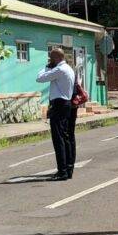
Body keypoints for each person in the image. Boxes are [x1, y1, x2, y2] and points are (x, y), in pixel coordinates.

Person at [37, 48, 75, 180]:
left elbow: (40, 78)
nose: (50, 60)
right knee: (65, 137)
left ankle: (62, 171)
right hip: (66, 104)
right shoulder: (68, 68)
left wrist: (47, 67)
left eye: (51, 58)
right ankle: (68, 169)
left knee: (58, 139)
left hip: (59, 104)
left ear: (57, 58)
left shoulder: (59, 69)